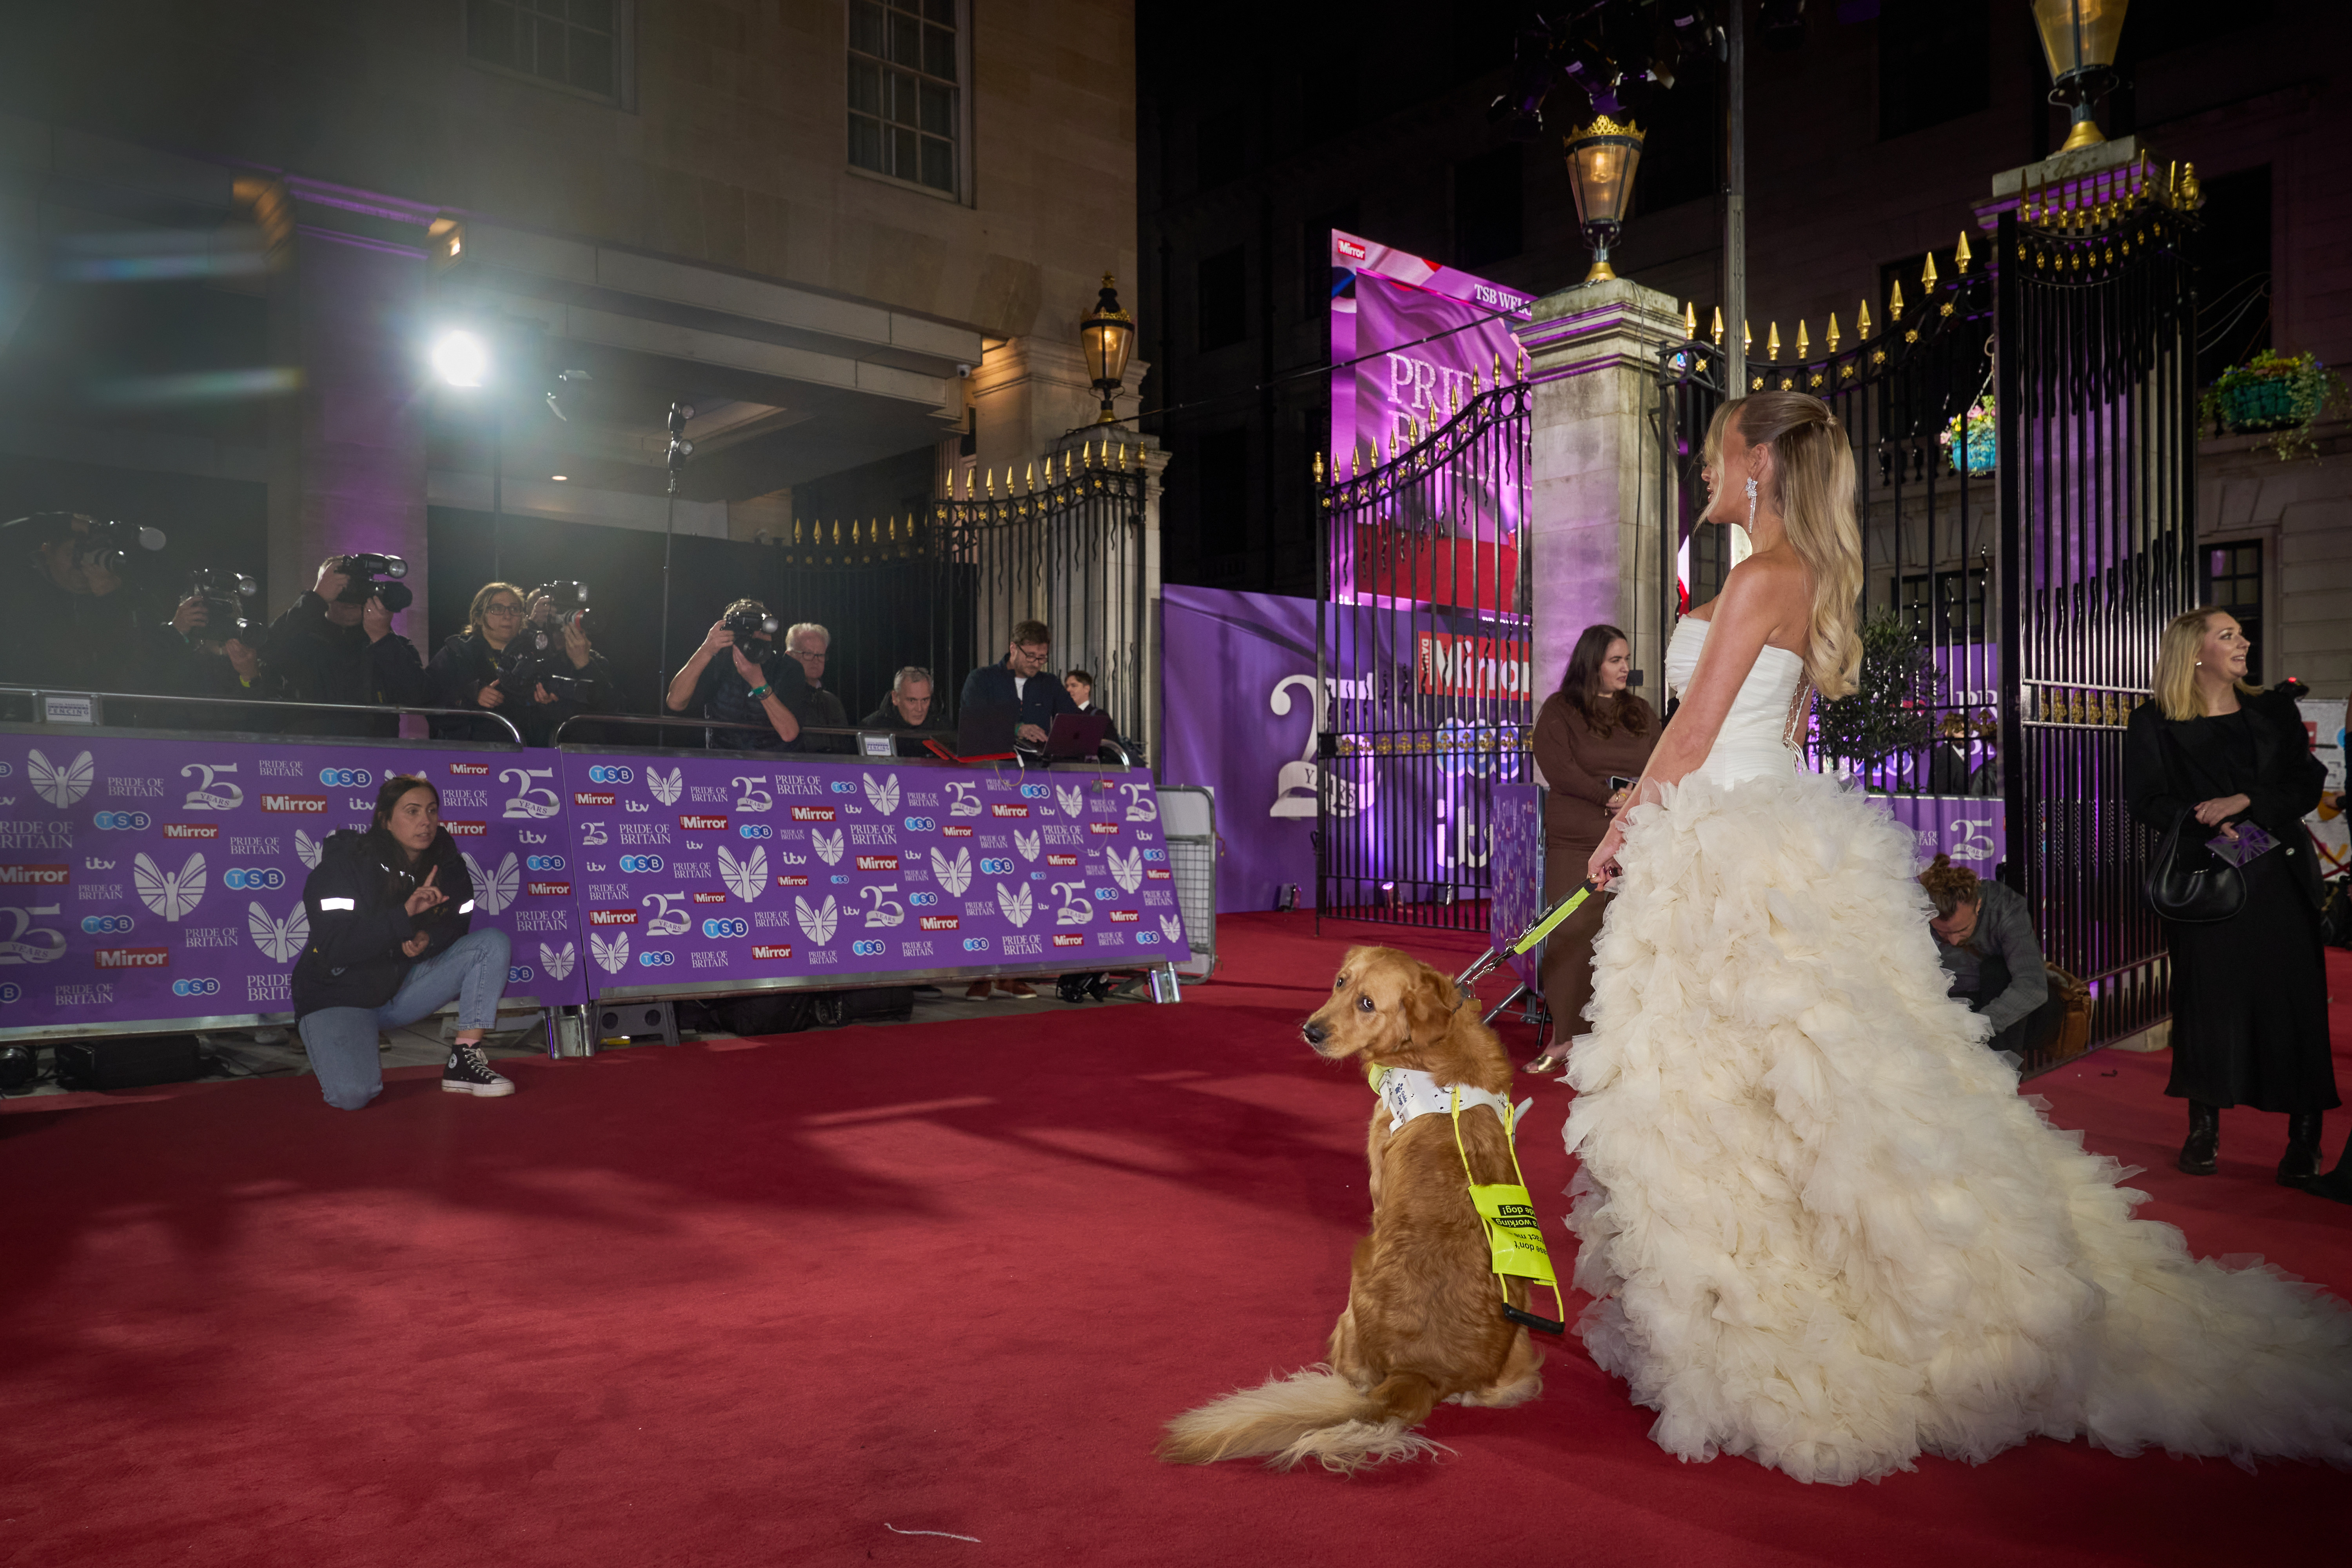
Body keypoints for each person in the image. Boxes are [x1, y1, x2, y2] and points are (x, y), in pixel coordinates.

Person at [1563, 391, 2352, 1486]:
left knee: (1728, 1085)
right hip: (1762, 837)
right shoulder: (1806, 583)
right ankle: (1773, 1287)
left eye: (1713, 455)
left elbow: (1694, 733)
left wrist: (1622, 830)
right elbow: (1781, 732)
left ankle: (1778, 1302)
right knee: (1793, 1087)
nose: (1702, 472)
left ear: (1760, 468)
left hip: (1717, 846)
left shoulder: (1756, 578)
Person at [2123, 606, 2336, 1186]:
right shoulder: (2154, 721)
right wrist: (2201, 819)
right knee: (2207, 1005)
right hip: (2207, 883)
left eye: (2241, 634)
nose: (2244, 642)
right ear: (2196, 652)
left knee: (2293, 1006)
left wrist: (2244, 804)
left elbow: (2306, 782)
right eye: (2229, 635)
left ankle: (2305, 1139)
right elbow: (2143, 800)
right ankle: (2204, 1130)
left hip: (2279, 878)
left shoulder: (2272, 710)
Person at [291, 774, 516, 1110]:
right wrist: (404, 916)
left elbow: (458, 924)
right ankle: (345, 1037)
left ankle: (464, 1060)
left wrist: (428, 937)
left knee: (491, 944)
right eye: (412, 811)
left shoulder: (446, 861)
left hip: (399, 989)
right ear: (385, 820)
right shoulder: (343, 865)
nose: (425, 821)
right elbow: (336, 946)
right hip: (339, 995)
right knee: (352, 1097)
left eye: (432, 810)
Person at [1525, 623, 1657, 1076]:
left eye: (1626, 659)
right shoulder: (1561, 710)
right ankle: (1564, 1037)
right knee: (1573, 932)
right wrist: (1607, 797)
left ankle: (1617, 1042)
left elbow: (1663, 761)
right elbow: (1557, 767)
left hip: (1637, 836)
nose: (1626, 668)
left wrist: (1636, 799)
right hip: (1578, 837)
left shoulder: (1640, 711)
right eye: (1615, 660)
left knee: (1628, 939)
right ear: (1592, 664)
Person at [426, 581, 619, 746]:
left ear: (523, 617)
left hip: (534, 754)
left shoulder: (540, 653)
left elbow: (589, 707)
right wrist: (472, 695)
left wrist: (549, 701)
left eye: (515, 609)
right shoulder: (458, 652)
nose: (507, 616)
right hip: (476, 756)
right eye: (497, 609)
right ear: (478, 616)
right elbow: (428, 700)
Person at [1916, 853, 2063, 1060]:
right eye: (1943, 932)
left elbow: (2032, 985)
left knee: (1997, 970)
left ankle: (2004, 1079)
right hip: (1952, 1002)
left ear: (1978, 905)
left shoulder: (2004, 906)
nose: (1955, 941)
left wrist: (1977, 1027)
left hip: (2007, 1007)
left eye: (1962, 930)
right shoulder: (1919, 912)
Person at [263, 555, 426, 733]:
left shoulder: (391, 644)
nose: (351, 600)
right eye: (342, 589)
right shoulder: (300, 638)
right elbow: (267, 650)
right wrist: (315, 599)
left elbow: (419, 697)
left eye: (360, 590)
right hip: (307, 749)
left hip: (373, 752)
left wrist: (383, 639)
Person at [664, 598, 802, 751]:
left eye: (763, 632)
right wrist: (707, 649)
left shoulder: (786, 667)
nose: (756, 639)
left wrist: (758, 683)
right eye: (749, 633)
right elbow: (675, 703)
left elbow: (789, 733)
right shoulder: (718, 663)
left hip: (771, 769)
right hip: (722, 765)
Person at [959, 619, 1080, 750]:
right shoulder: (981, 679)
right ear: (1013, 649)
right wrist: (1016, 729)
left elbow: (1073, 719)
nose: (1036, 663)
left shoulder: (1050, 683)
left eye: (1042, 658)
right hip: (992, 764)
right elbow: (974, 723)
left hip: (1038, 766)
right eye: (1030, 656)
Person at [781, 621, 851, 753]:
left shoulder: (833, 702)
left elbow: (845, 748)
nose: (816, 660)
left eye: (820, 655)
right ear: (790, 656)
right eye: (808, 654)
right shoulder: (777, 698)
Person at [860, 666, 936, 755]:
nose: (919, 709)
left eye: (925, 700)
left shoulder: (944, 729)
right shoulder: (871, 728)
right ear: (895, 698)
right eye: (912, 700)